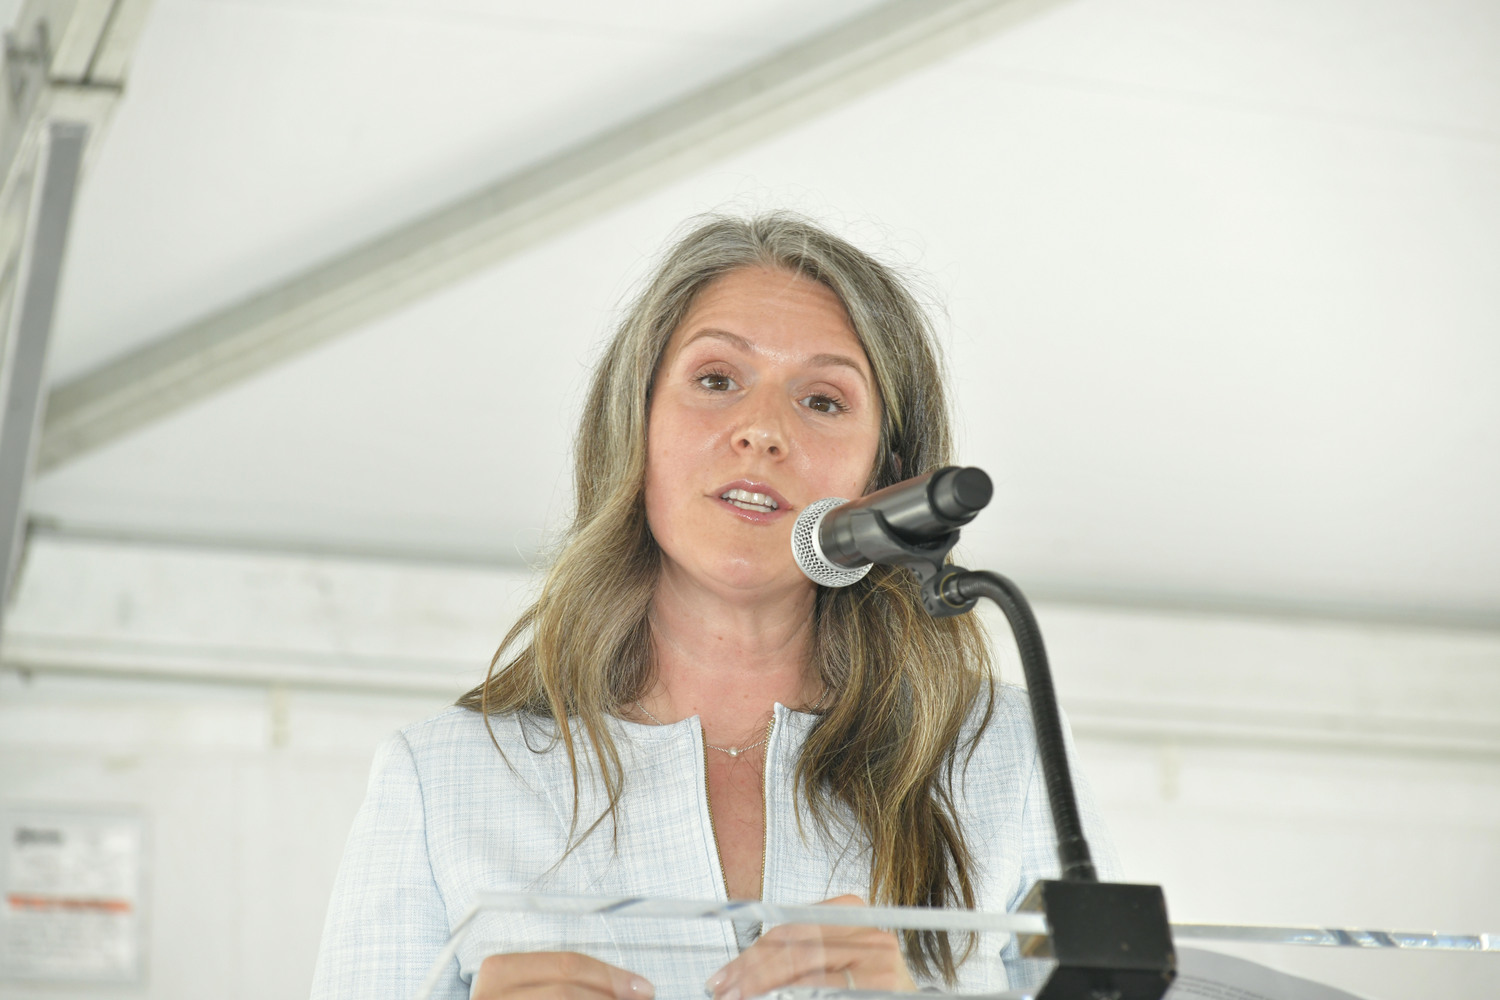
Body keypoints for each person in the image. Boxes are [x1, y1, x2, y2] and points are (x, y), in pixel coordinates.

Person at [310, 214, 1117, 1000]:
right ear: (637, 426)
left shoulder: (1003, 755)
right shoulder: (445, 778)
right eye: (717, 380)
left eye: (824, 401)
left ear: (890, 475)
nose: (761, 431)